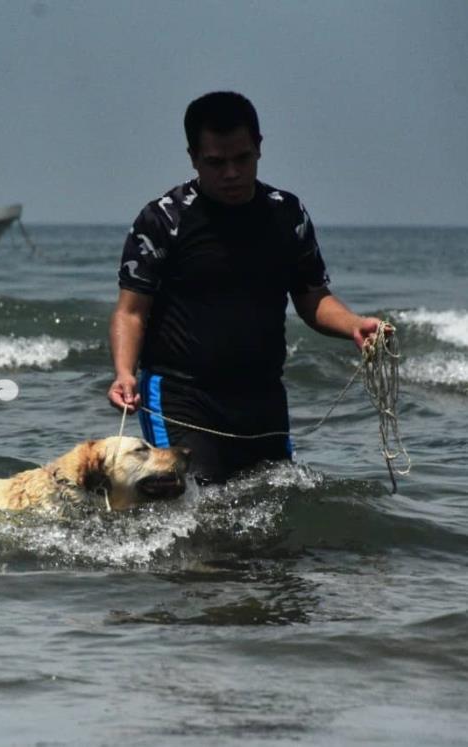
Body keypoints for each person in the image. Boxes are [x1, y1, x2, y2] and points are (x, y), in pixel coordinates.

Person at [107, 91, 385, 483]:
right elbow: (130, 311)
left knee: (271, 517)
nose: (231, 173)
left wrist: (353, 325)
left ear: (259, 148)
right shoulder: (163, 219)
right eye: (215, 163)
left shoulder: (286, 214)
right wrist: (124, 371)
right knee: (197, 512)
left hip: (263, 398)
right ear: (193, 157)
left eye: (242, 159)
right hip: (182, 395)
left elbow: (313, 298)